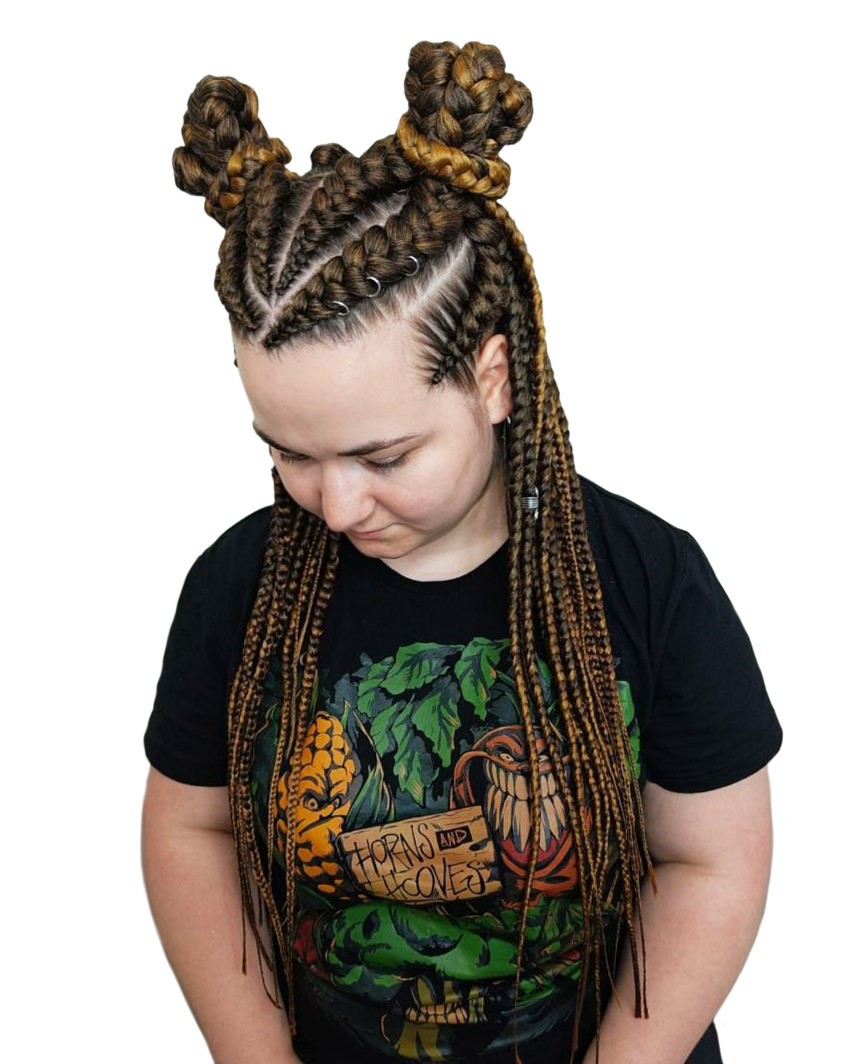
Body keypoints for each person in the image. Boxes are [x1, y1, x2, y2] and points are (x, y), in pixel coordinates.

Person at [142, 40, 783, 1064]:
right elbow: (192, 830)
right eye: (288, 453)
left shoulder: (650, 581)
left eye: (383, 456)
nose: (335, 504)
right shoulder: (238, 585)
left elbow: (712, 861)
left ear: (492, 378)